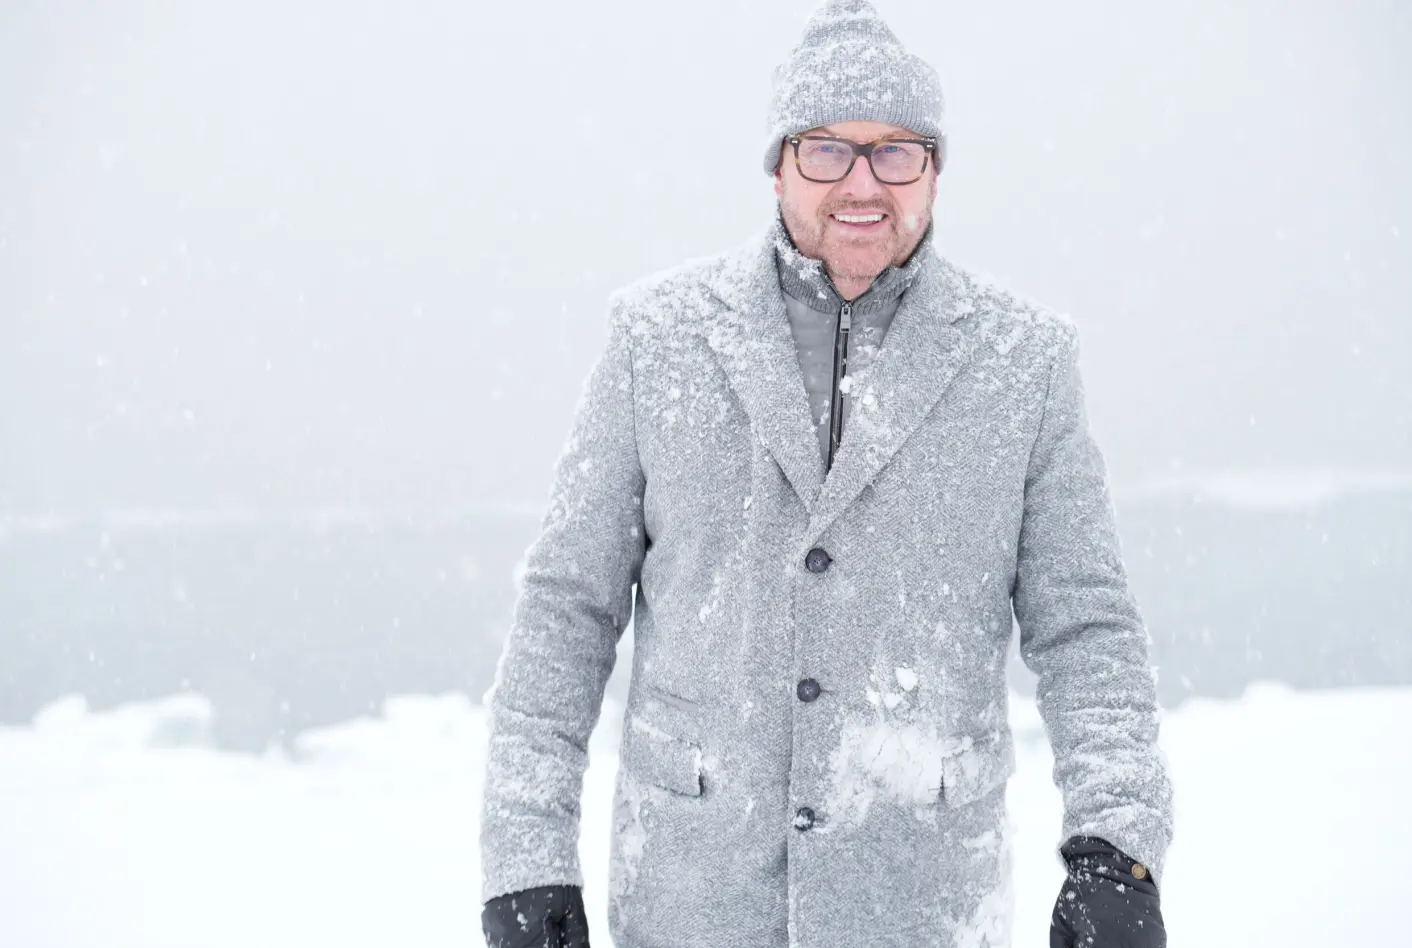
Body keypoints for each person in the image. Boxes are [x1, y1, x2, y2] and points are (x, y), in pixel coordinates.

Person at [478, 1, 1173, 945]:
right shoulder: (656, 341)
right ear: (778, 166)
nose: (863, 182)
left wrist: (1116, 849)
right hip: (693, 904)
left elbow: (1087, 630)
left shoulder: (1025, 364)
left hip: (922, 905)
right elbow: (564, 613)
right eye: (827, 150)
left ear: (934, 170)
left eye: (896, 152)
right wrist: (526, 859)